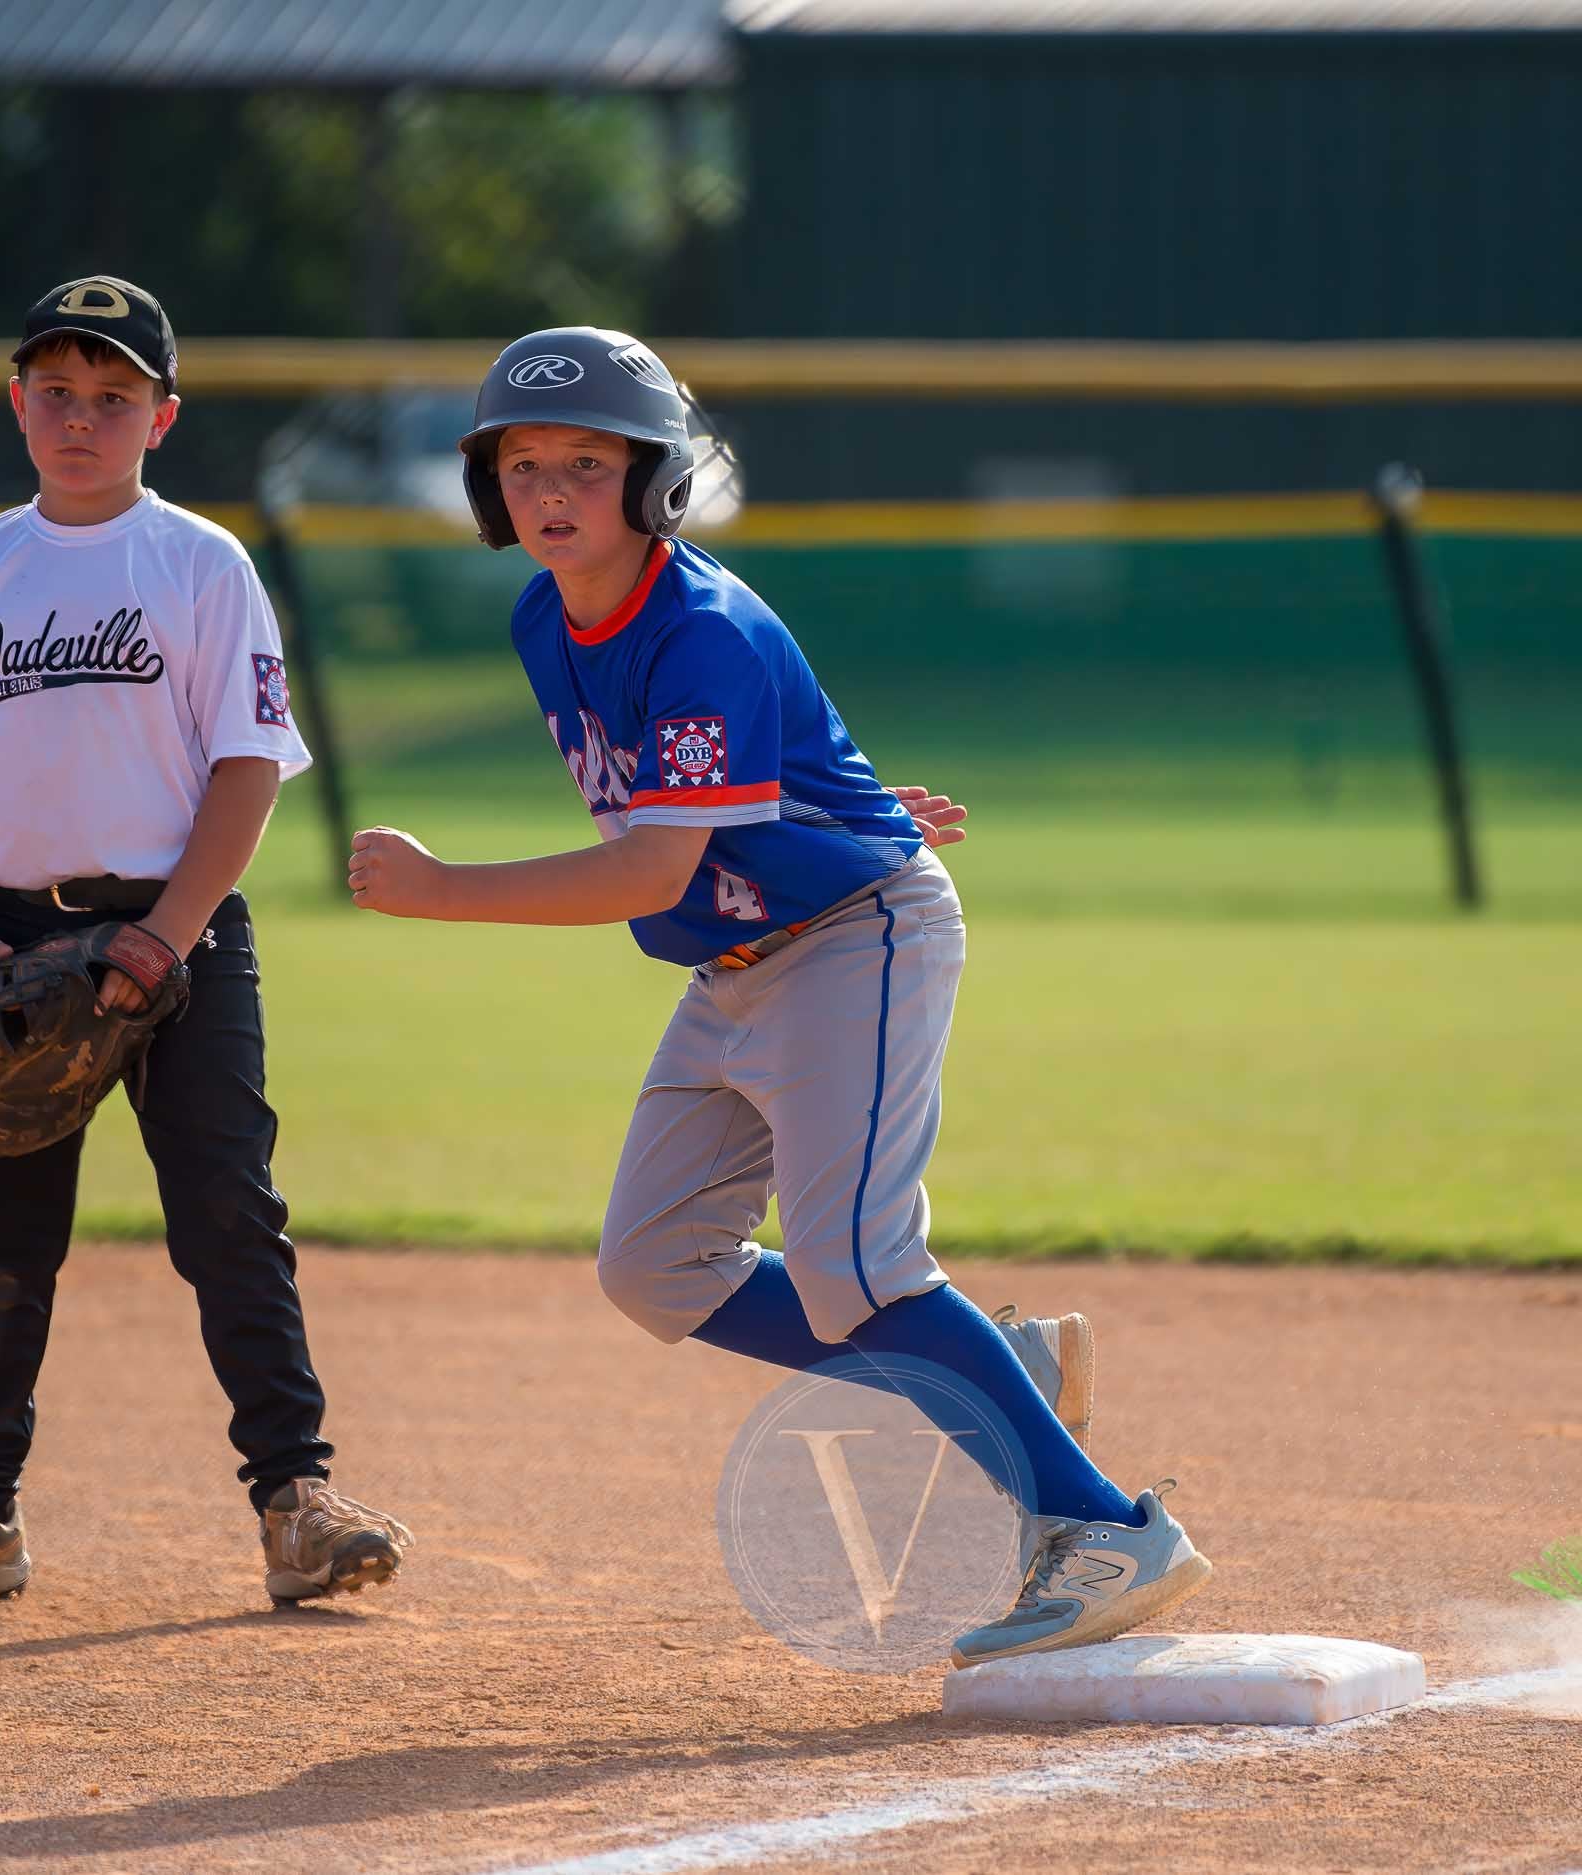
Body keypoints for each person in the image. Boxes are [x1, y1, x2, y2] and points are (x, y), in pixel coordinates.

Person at [346, 327, 1210, 1666]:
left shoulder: (704, 631)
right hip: (740, 957)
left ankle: (1101, 1527)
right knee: (653, 1267)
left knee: (854, 1266)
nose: (554, 489)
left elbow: (650, 858)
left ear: (657, 480)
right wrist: (838, 812)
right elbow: (707, 794)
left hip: (852, 938)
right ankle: (991, 1380)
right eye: (524, 464)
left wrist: (442, 888)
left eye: (590, 459)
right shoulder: (544, 615)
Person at [0, 276, 409, 1609]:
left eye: (112, 397)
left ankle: (296, 1502)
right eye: (56, 392)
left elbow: (247, 770)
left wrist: (164, 936)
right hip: (16, 940)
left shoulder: (203, 564)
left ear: (161, 417)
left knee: (227, 1213)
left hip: (182, 931)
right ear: (17, 405)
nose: (80, 419)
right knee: (7, 1238)